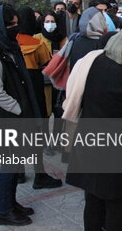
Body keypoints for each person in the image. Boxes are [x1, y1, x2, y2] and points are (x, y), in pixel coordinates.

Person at [65, 25, 122, 231]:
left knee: (92, 197)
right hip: (116, 146)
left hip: (88, 137)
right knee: (115, 202)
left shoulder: (94, 61)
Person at [0, 5, 40, 226]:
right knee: (9, 165)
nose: (15, 27)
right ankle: (4, 211)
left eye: (15, 23)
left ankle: (11, 204)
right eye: (10, 24)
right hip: (6, 120)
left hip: (13, 119)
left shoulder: (7, 47)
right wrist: (19, 108)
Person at [16, 7, 63, 189]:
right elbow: (47, 64)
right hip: (35, 91)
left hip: (17, 91)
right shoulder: (36, 43)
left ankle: (19, 172)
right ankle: (39, 174)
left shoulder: (10, 43)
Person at [34, 11, 68, 154]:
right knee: (46, 113)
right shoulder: (37, 38)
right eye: (47, 21)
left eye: (52, 21)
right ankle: (46, 143)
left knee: (59, 112)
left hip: (60, 81)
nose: (50, 24)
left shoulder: (63, 39)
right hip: (44, 82)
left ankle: (57, 141)